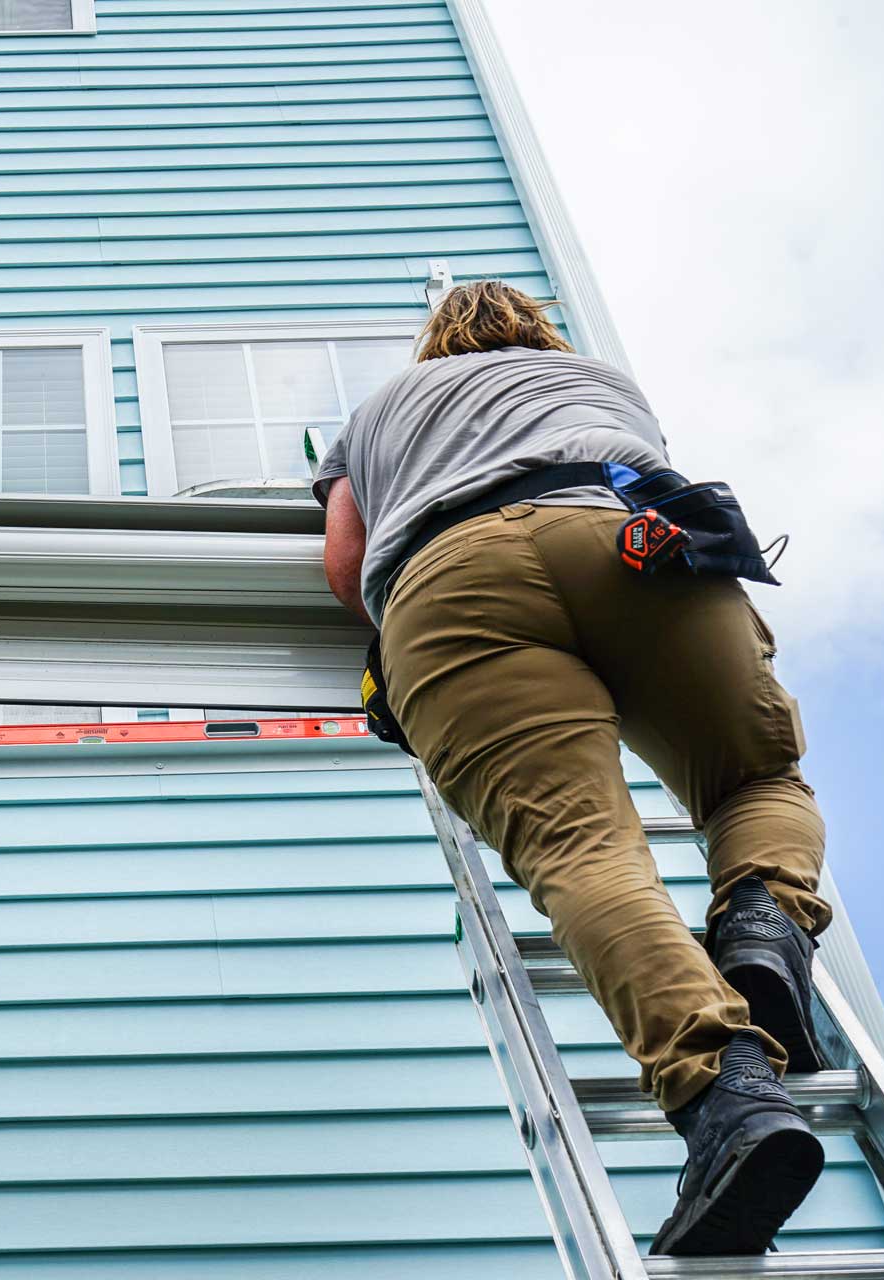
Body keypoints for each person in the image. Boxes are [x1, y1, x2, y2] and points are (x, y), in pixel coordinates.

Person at [316, 282, 830, 1255]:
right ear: (538, 333)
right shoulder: (600, 380)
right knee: (756, 780)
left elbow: (345, 561)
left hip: (452, 574)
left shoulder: (377, 413)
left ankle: (726, 1094)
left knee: (582, 847)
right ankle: (762, 923)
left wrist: (394, 648)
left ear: (433, 345)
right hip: (638, 543)